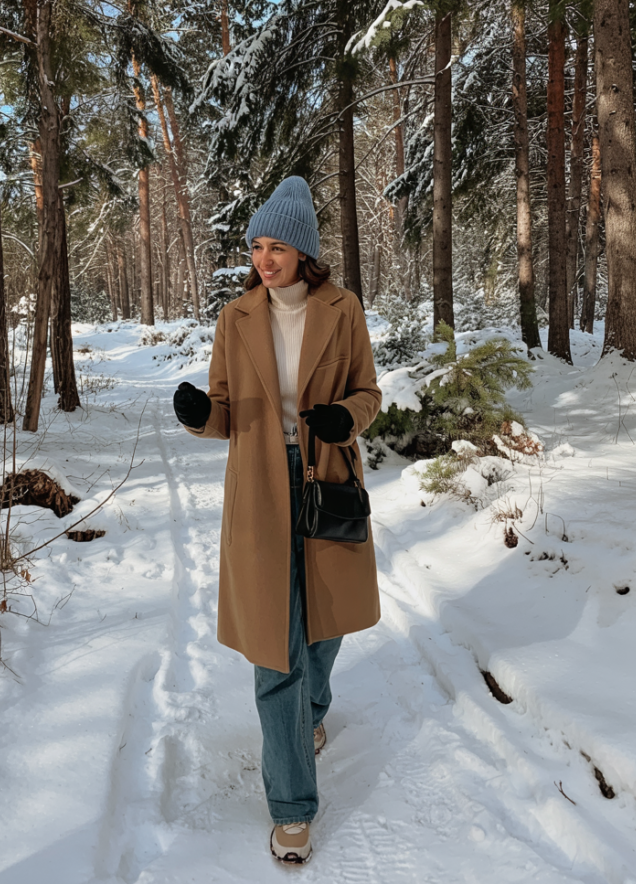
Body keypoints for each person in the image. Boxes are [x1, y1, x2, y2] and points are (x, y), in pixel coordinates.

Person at [172, 176, 381, 864]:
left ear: (304, 253)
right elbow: (226, 409)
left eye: (277, 247)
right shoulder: (235, 318)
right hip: (259, 488)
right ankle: (292, 807)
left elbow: (368, 393)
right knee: (276, 648)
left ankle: (310, 714)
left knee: (326, 623)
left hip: (328, 479)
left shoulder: (341, 309)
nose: (264, 259)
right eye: (256, 247)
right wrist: (202, 415)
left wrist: (344, 417)